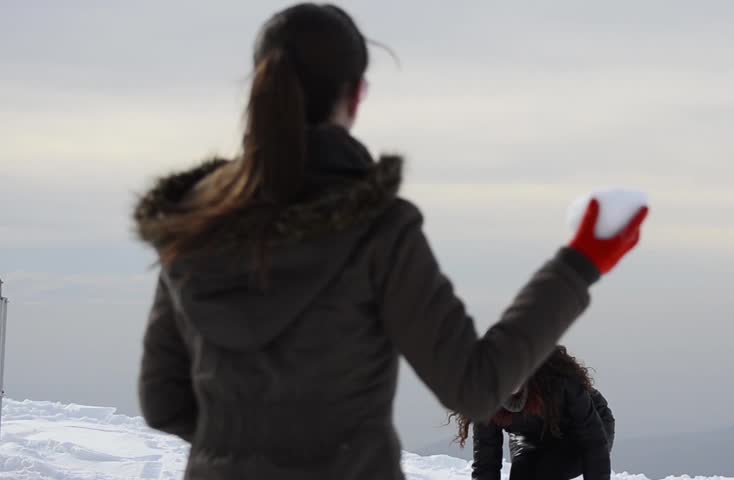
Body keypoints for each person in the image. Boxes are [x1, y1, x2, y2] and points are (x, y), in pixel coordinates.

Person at [133, 3, 648, 479]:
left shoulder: (193, 225)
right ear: (357, 95)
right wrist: (580, 263)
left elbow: (163, 401)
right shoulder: (377, 227)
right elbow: (474, 386)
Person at [453, 346, 615, 480]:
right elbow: (486, 461)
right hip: (529, 434)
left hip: (583, 429)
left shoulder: (560, 379)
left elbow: (593, 442)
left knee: (548, 472)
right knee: (522, 474)